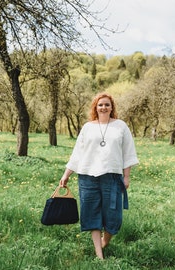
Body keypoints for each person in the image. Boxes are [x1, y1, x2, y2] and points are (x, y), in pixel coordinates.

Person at [59, 92, 139, 259]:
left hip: (112, 176)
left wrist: (127, 176)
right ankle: (99, 254)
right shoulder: (88, 127)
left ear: (112, 108)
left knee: (113, 215)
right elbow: (78, 152)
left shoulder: (120, 126)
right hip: (88, 176)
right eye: (100, 104)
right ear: (95, 107)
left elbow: (128, 152)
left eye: (107, 104)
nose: (103, 107)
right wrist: (66, 174)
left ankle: (105, 241)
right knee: (91, 213)